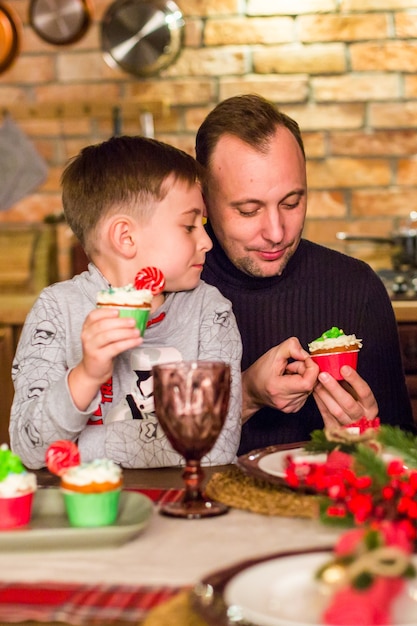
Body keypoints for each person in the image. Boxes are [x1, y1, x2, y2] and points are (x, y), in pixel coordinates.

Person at [196, 93, 415, 455]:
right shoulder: (172, 290)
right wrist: (246, 394)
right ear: (203, 200)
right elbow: (140, 452)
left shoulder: (356, 288)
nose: (277, 232)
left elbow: (406, 453)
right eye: (249, 210)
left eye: (291, 203)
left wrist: (368, 440)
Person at [10, 136, 242, 469]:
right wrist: (88, 375)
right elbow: (29, 449)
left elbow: (217, 445)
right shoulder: (56, 312)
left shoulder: (211, 312)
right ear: (126, 238)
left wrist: (76, 449)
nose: (206, 241)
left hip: (182, 510)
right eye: (189, 226)